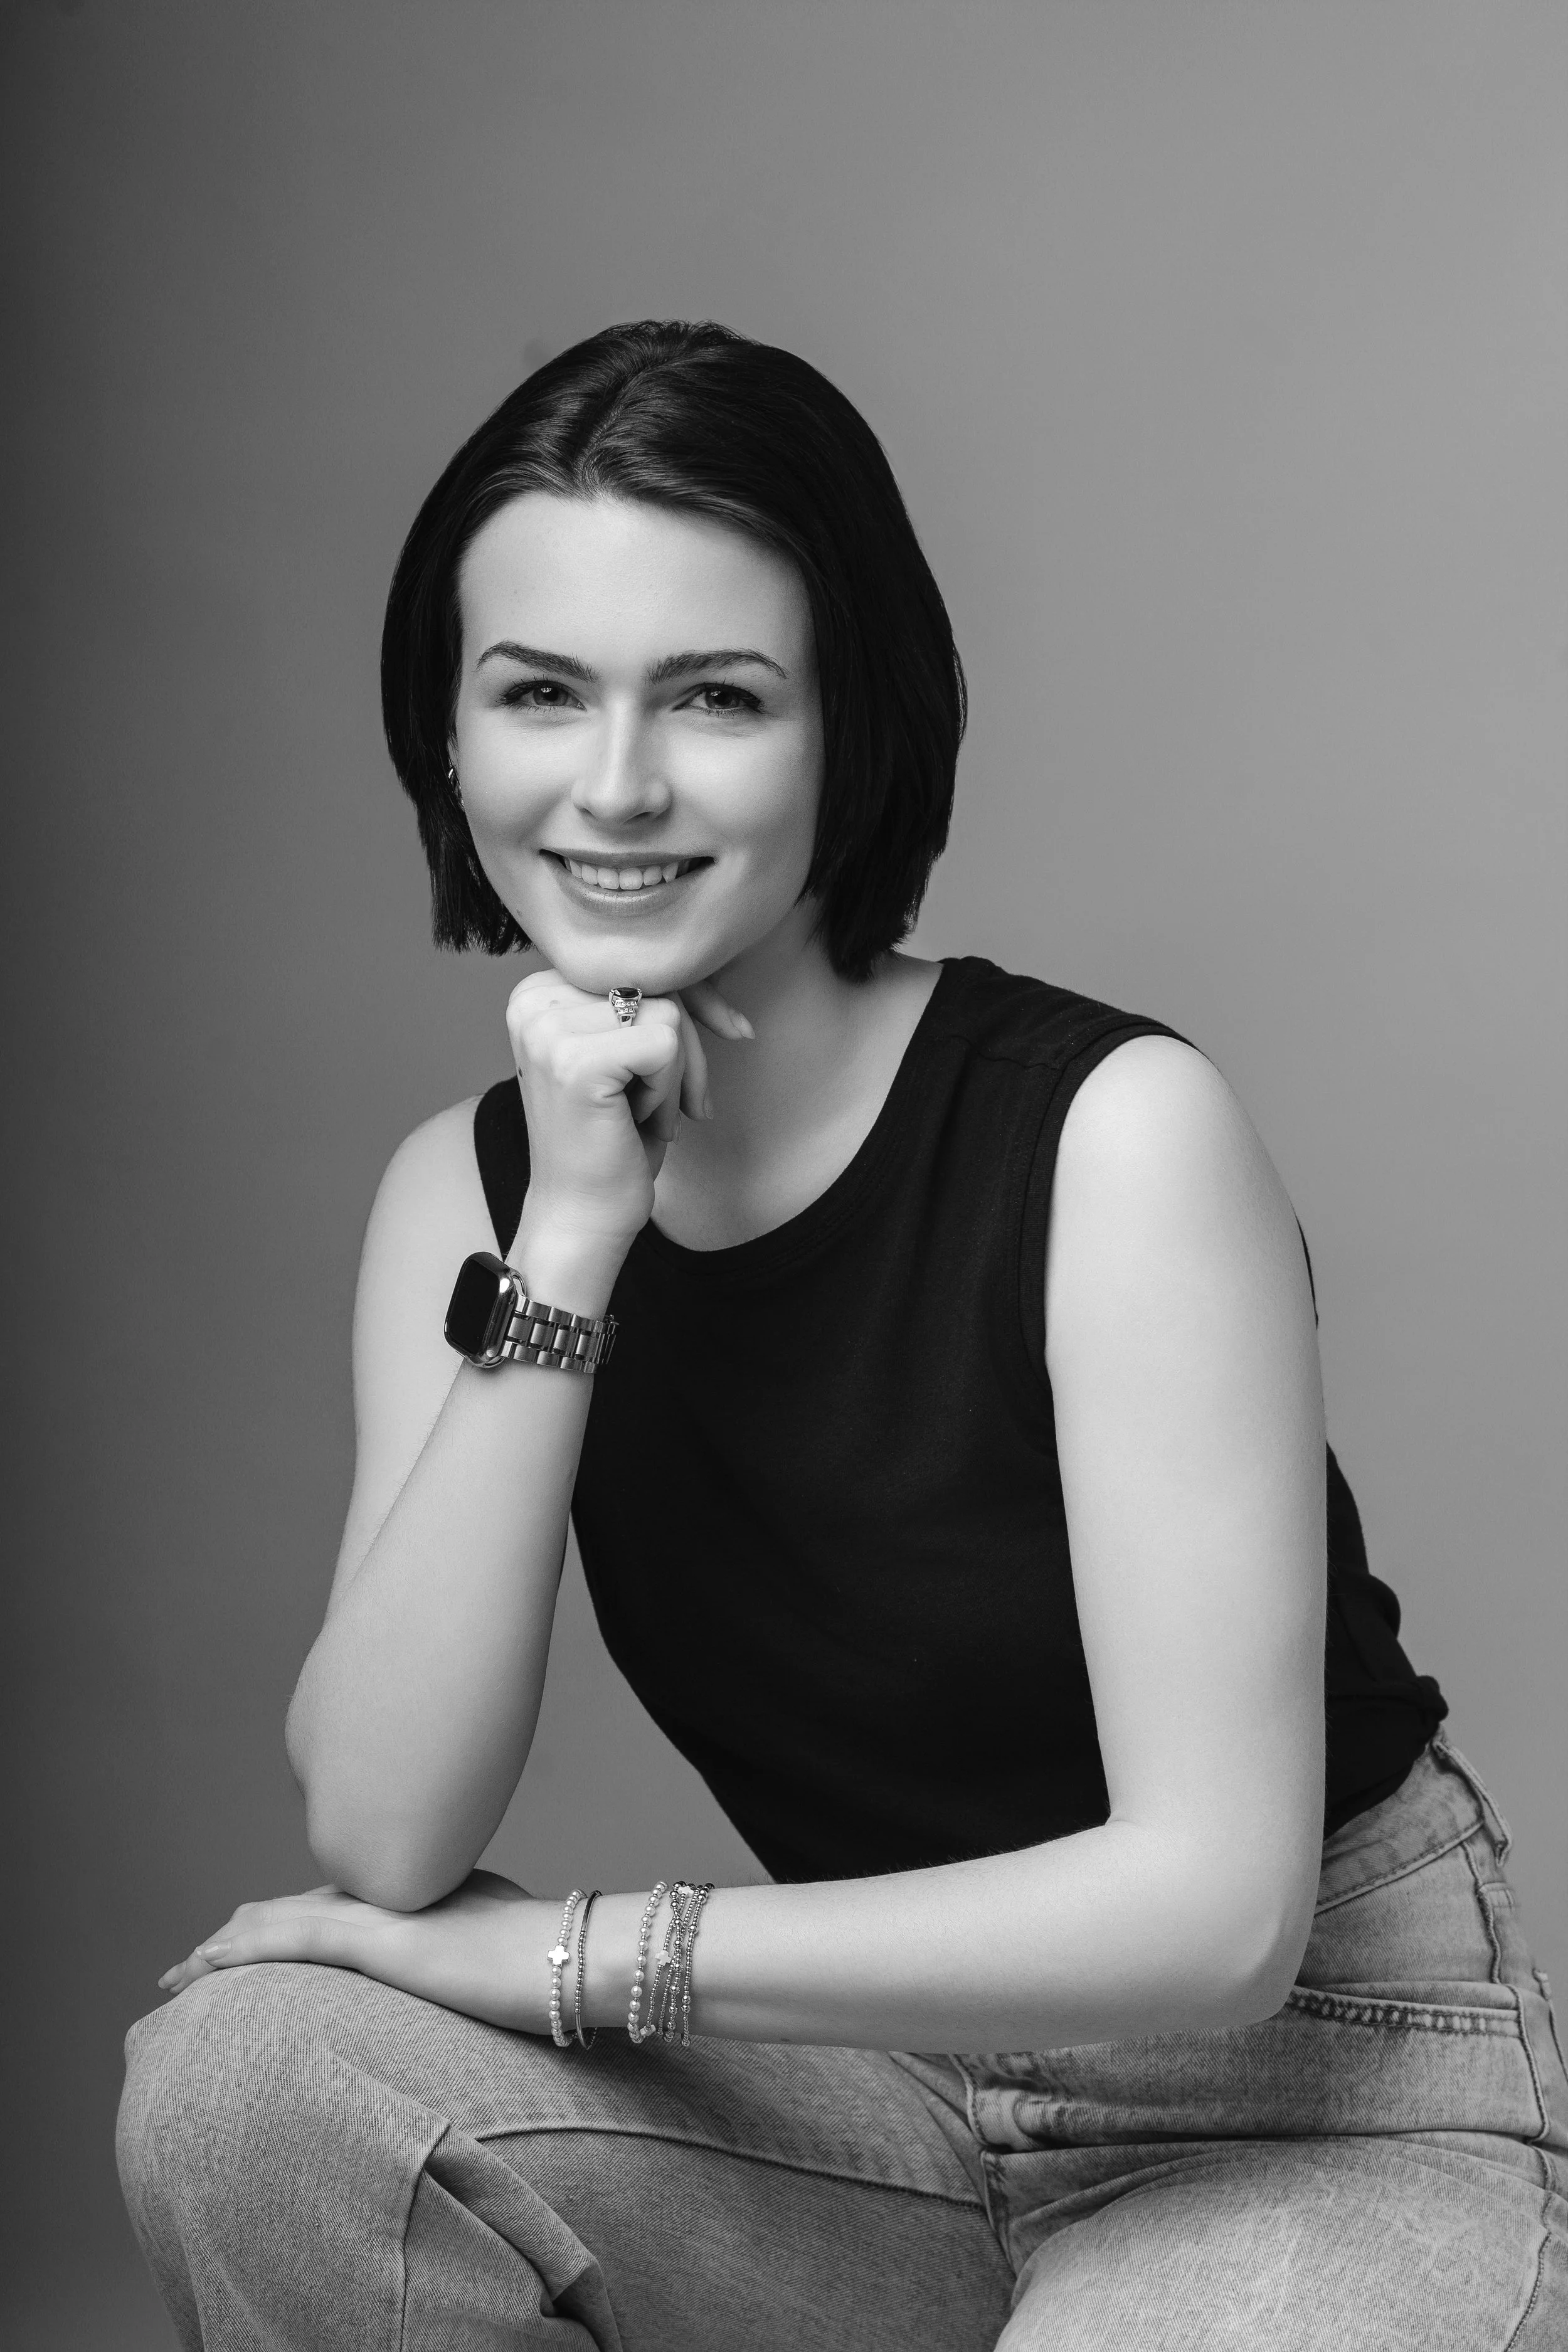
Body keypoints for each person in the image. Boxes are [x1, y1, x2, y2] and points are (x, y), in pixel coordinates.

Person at [116, 320, 1568, 2351]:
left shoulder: (1109, 1134)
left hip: (1320, 2092)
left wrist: (581, 1959)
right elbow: (382, 1830)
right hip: (880, 2110)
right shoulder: (474, 1193)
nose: (614, 785)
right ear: (445, 740)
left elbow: (1216, 1915)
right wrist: (578, 1220)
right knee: (257, 2086)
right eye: (538, 692)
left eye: (714, 697)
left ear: (846, 731)